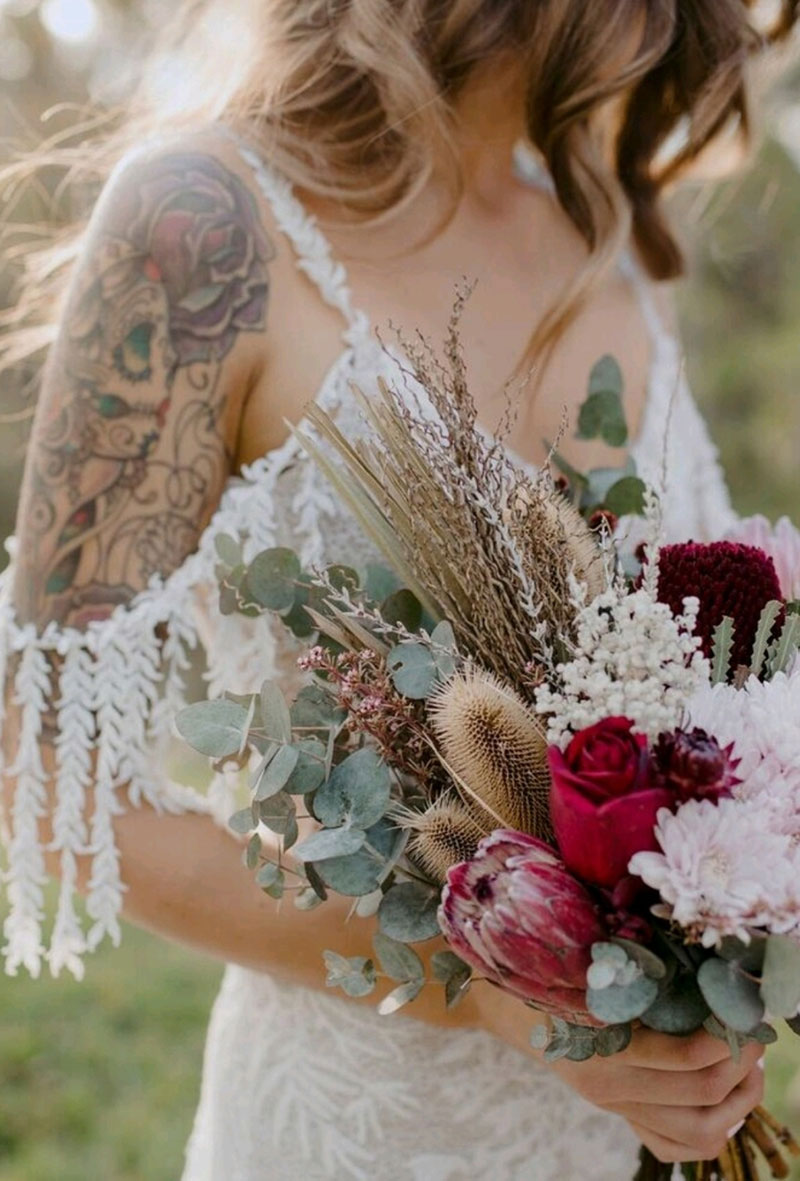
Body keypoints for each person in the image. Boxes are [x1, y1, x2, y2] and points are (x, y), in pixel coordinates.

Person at [0, 2, 794, 1178]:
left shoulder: (608, 236)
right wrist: (482, 988)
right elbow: (37, 772)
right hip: (355, 1132)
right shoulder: (203, 222)